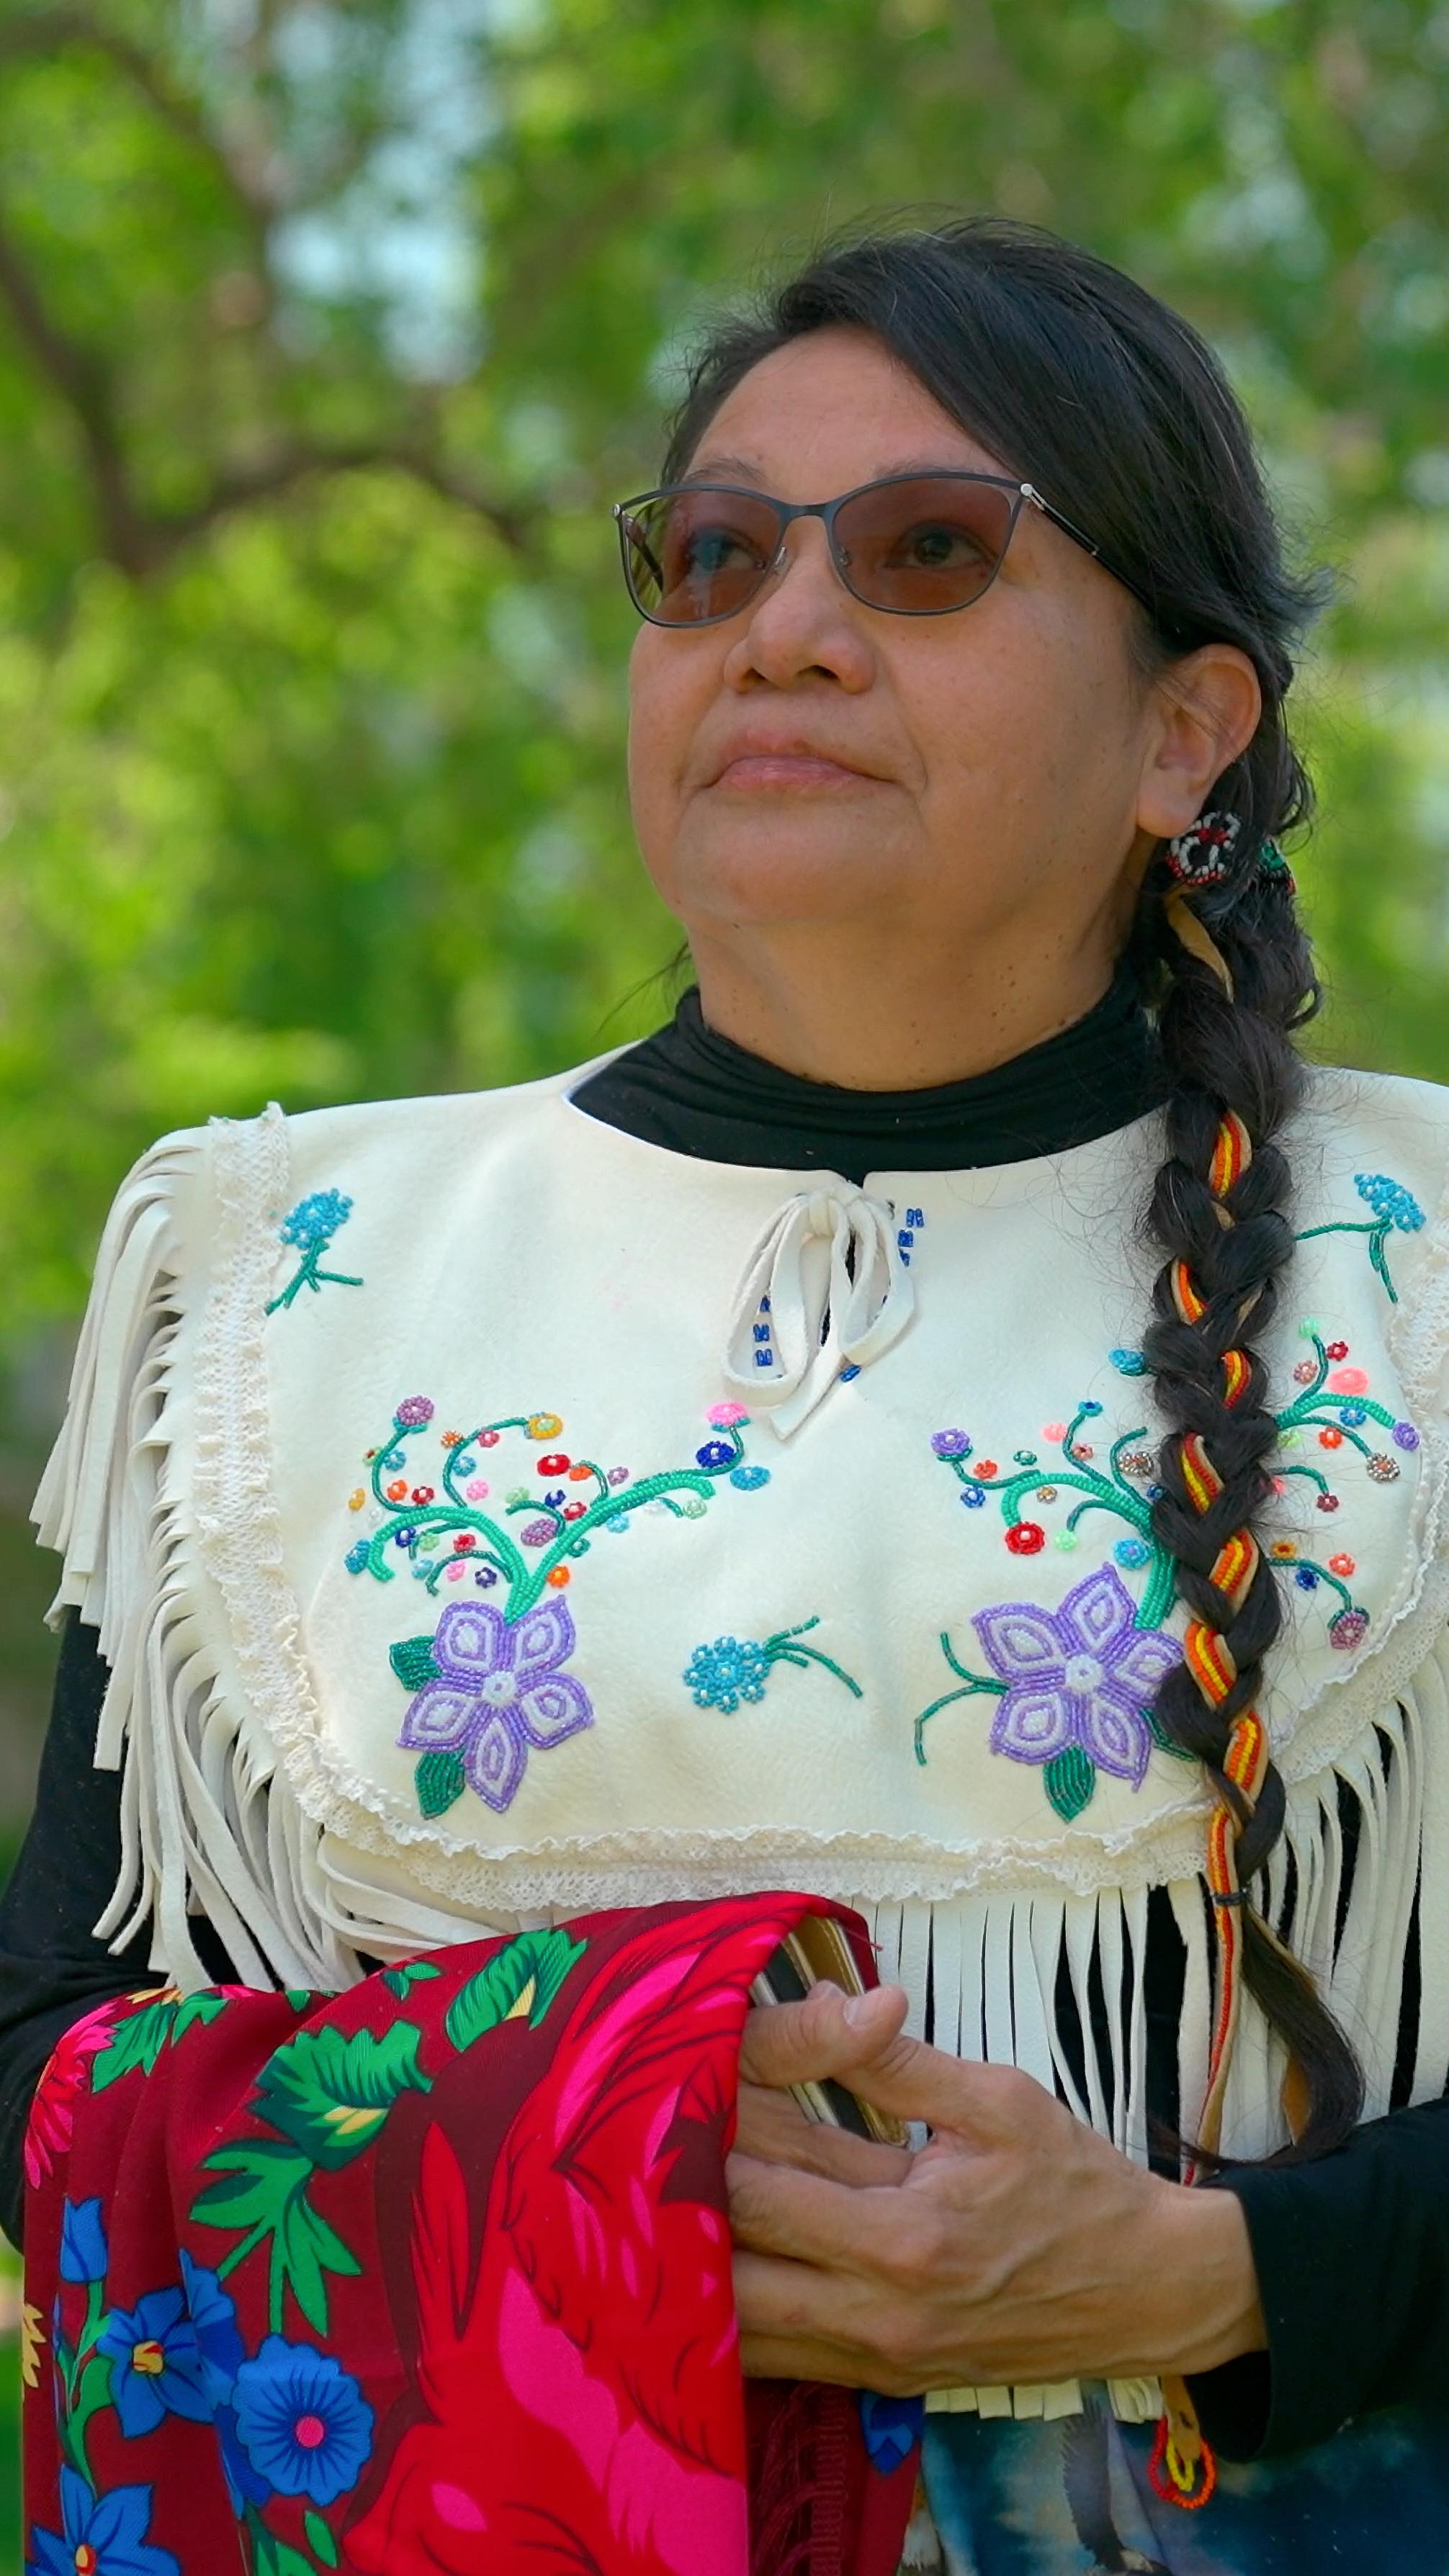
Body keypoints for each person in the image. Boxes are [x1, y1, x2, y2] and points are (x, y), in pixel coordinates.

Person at [4, 215, 1449, 2573]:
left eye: (925, 551)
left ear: (1183, 730)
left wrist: (1220, 2279)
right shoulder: (281, 1270)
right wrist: (587, 2113)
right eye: (710, 556)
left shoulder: (1425, 1271)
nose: (786, 626)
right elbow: (40, 2052)